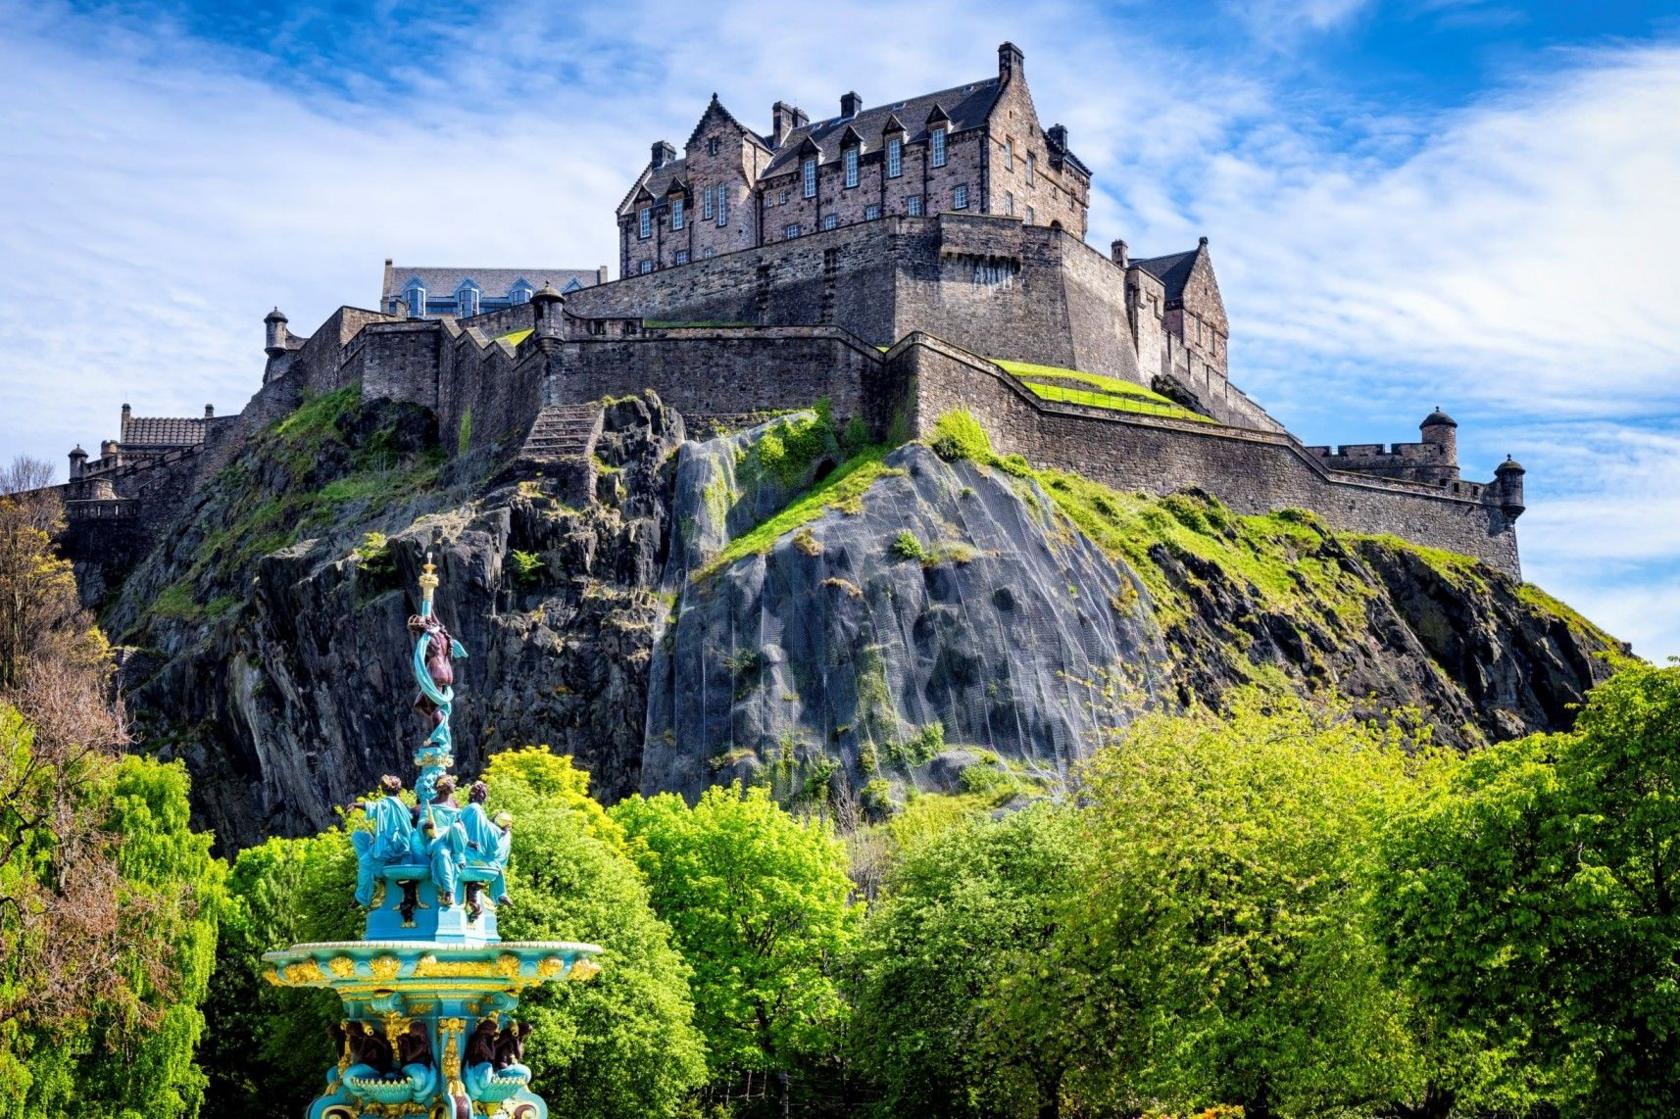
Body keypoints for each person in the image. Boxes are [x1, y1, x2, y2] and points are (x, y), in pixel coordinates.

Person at [351, 776, 416, 908]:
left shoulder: (388, 803)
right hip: (399, 843)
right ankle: (376, 867)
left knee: (364, 861)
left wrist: (356, 805)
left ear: (385, 789)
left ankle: (362, 897)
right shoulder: (401, 804)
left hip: (393, 846)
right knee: (358, 836)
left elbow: (375, 807)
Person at [460, 780, 513, 905]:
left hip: (471, 850)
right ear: (477, 794)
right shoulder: (475, 809)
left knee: (494, 865)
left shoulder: (474, 810)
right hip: (470, 852)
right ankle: (499, 894)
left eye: (485, 793)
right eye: (482, 793)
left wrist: (496, 826)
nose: (484, 796)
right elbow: (485, 829)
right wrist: (501, 832)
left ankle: (500, 894)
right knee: (493, 864)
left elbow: (485, 827)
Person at [421, 774, 467, 908]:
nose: (454, 786)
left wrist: (468, 841)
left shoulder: (455, 803)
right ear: (445, 786)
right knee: (443, 854)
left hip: (454, 837)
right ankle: (449, 891)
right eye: (452, 783)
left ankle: (459, 856)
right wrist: (426, 826)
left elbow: (461, 825)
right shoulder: (431, 803)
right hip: (438, 838)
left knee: (456, 826)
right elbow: (423, 822)